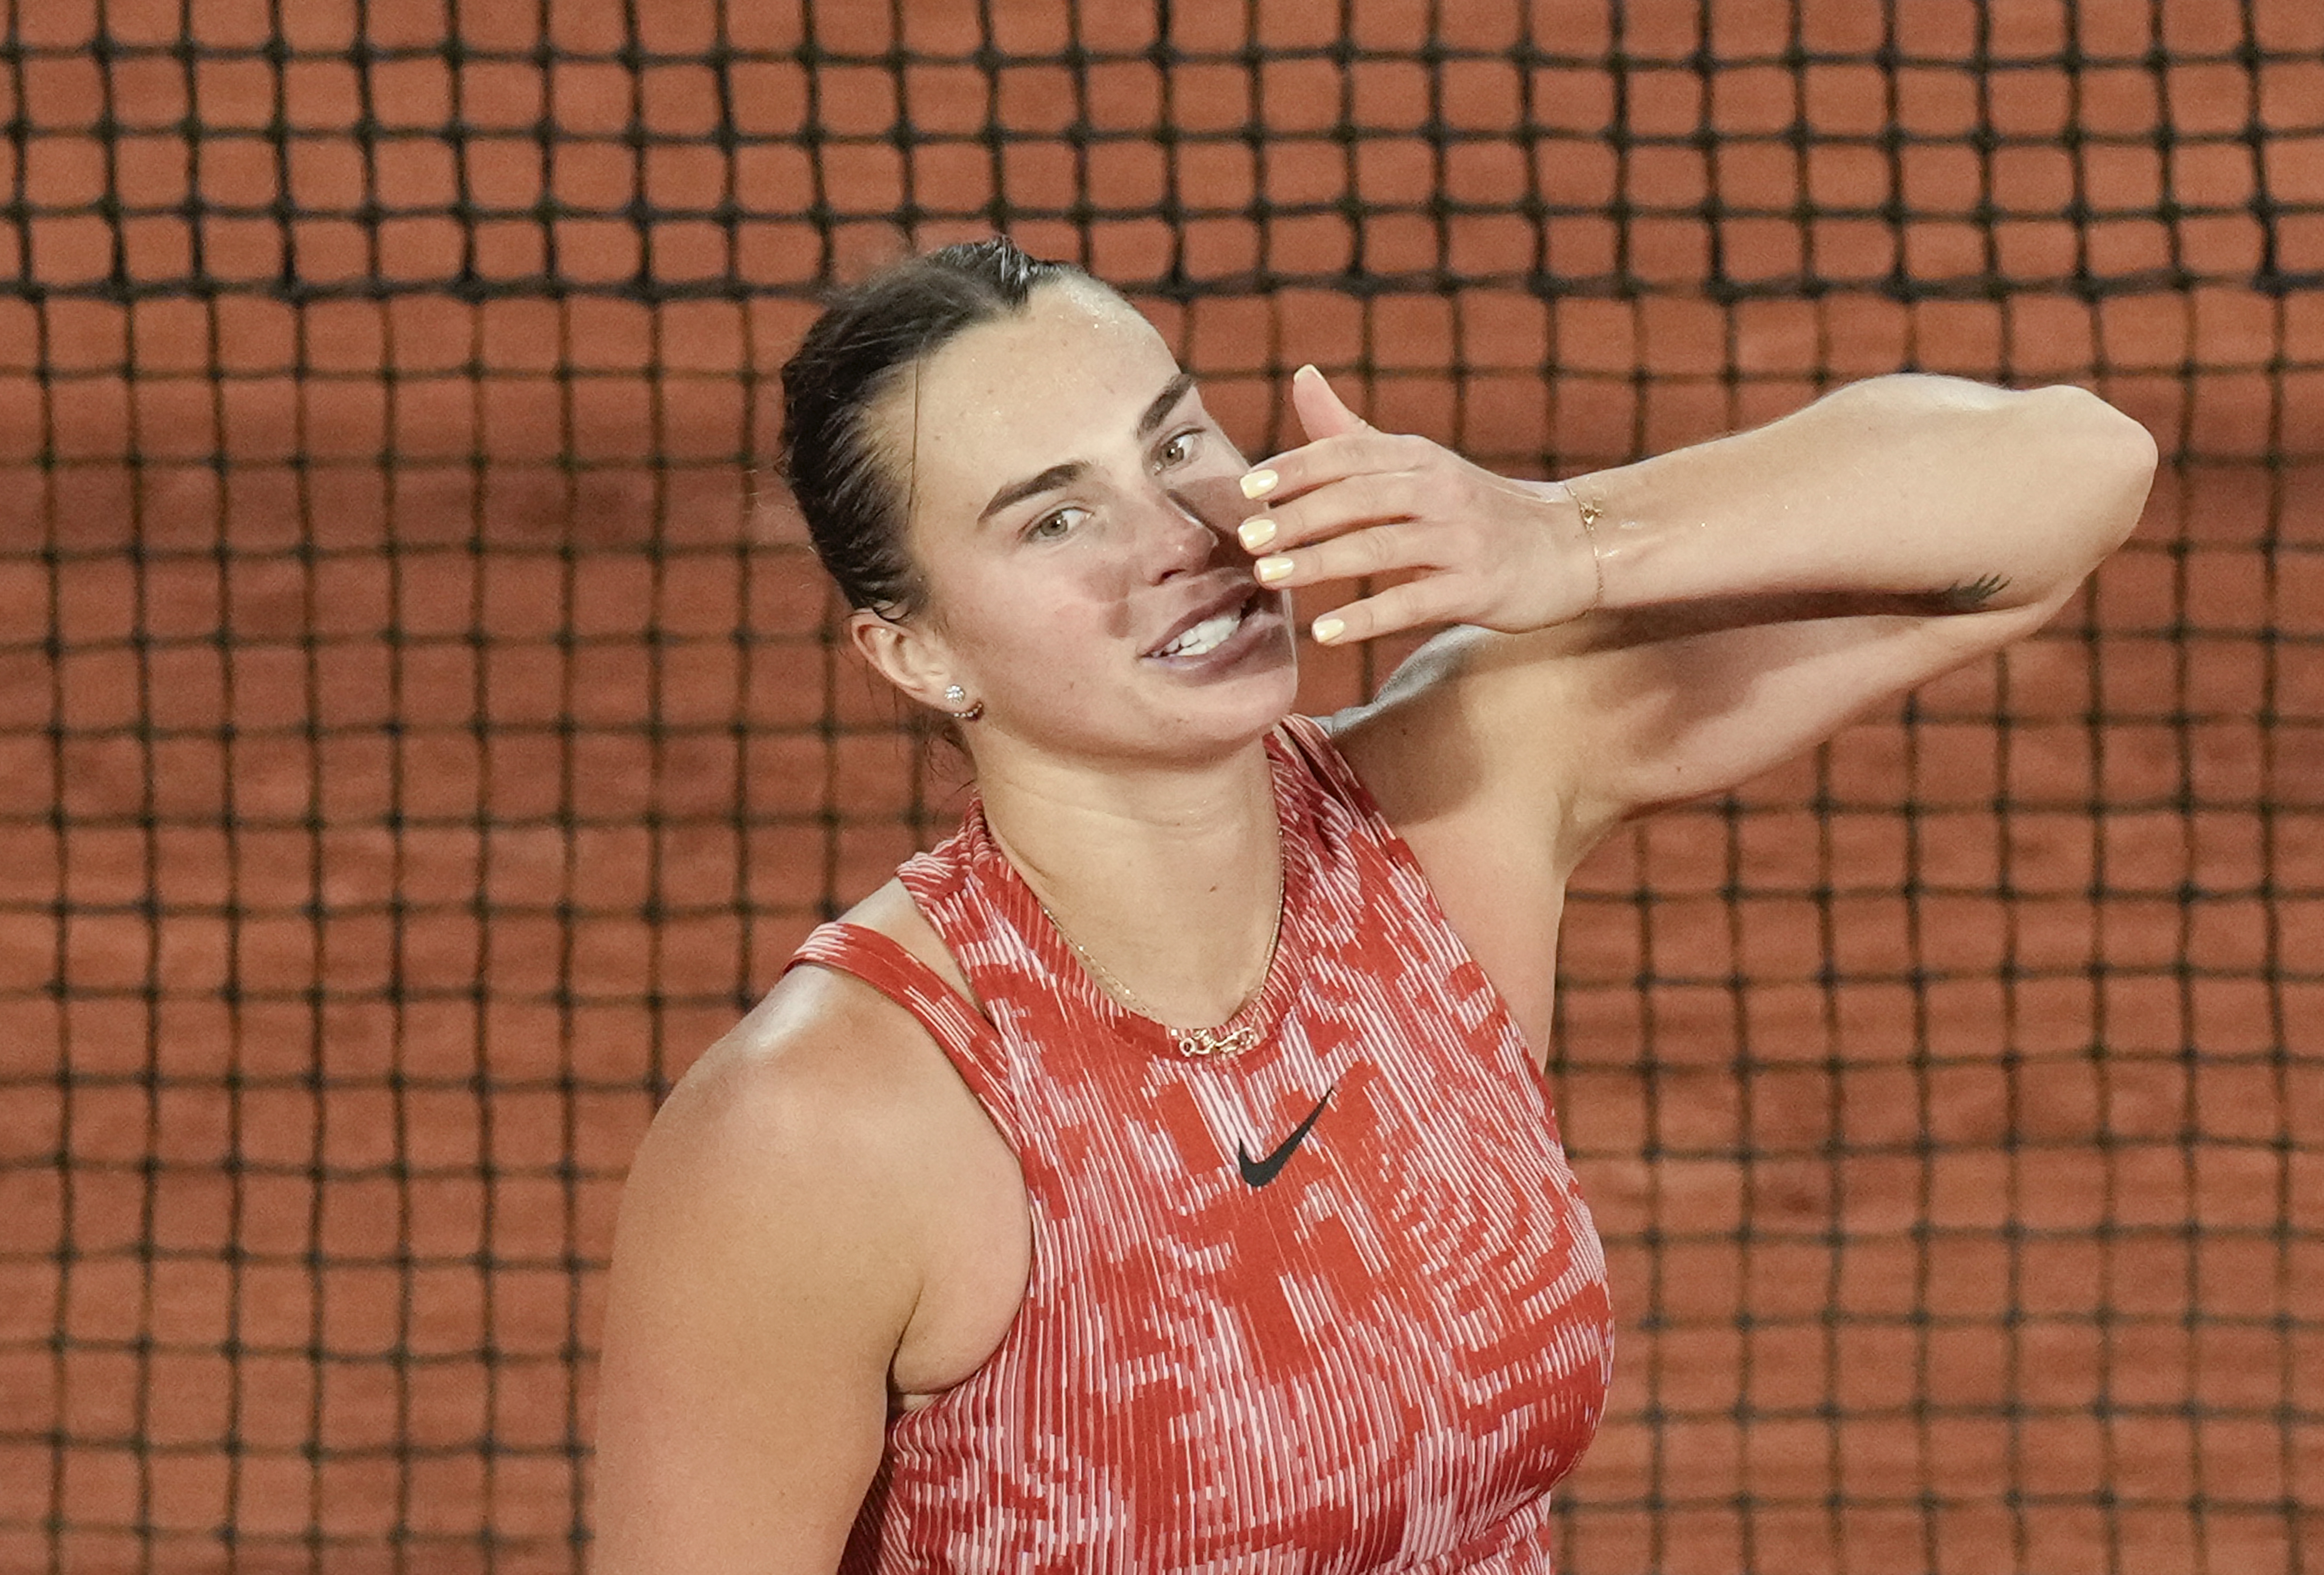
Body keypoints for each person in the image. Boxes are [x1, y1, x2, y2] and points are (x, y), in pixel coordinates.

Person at [589, 238, 2154, 1572]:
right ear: (915, 653)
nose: (1181, 543)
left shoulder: (1456, 799)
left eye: (1175, 440)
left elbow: (2074, 476)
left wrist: (1565, 540)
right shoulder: (829, 1123)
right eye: (1056, 517)